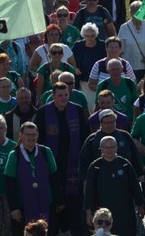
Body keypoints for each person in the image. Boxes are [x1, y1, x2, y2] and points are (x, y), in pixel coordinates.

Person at [33, 82, 88, 235]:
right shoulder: (44, 112)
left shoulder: (76, 110)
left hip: (73, 165)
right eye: (60, 95)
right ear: (53, 95)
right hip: (51, 165)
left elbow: (84, 136)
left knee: (73, 201)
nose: (63, 98)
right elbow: (38, 138)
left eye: (66, 95)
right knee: (54, 200)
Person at [4, 122, 63, 235]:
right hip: (22, 207)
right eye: (28, 134)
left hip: (46, 202)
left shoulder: (46, 152)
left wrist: (59, 201)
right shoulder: (14, 155)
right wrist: (14, 208)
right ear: (20, 136)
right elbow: (9, 184)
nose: (31, 138)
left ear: (38, 135)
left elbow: (54, 177)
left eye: (34, 134)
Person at [84, 136, 145, 236]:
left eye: (112, 147)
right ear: (101, 149)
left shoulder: (125, 164)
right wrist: (88, 212)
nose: (109, 150)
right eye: (106, 147)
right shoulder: (95, 167)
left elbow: (135, 186)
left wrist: (140, 205)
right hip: (103, 214)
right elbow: (89, 191)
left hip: (125, 212)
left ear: (116, 148)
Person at [118, 1, 145, 81]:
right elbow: (120, 49)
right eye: (136, 13)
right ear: (131, 13)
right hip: (130, 68)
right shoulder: (124, 28)